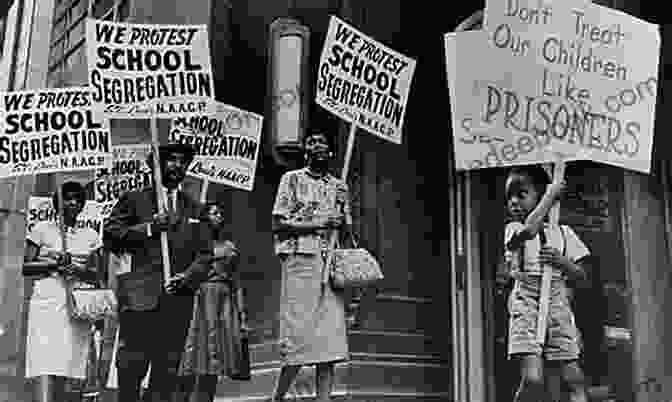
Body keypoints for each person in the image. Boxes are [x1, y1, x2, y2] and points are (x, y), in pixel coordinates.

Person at [103, 141, 213, 402]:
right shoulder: (135, 199)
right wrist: (150, 227)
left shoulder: (195, 208)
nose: (177, 165)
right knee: (131, 368)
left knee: (166, 372)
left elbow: (205, 254)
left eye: (182, 161)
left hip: (177, 302)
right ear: (157, 164)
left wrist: (188, 277)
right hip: (141, 299)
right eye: (171, 159)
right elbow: (110, 235)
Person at [270, 131, 352, 402]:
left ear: (330, 152)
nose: (317, 146)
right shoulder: (291, 180)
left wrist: (342, 209)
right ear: (305, 151)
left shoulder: (339, 185)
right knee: (298, 339)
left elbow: (346, 231)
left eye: (323, 142)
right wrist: (318, 224)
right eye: (311, 142)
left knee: (328, 342)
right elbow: (278, 224)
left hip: (330, 266)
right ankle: (277, 397)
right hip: (300, 264)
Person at [503, 165, 591, 402]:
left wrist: (563, 263)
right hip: (527, 302)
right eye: (509, 196)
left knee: (573, 379)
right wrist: (551, 195)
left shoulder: (564, 233)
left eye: (521, 194)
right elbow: (530, 230)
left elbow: (582, 276)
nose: (513, 202)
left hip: (556, 301)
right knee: (532, 379)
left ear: (539, 196)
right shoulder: (514, 229)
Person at [23, 181, 102, 402]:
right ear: (57, 202)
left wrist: (77, 269)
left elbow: (97, 275)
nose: (73, 203)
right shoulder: (41, 229)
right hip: (47, 301)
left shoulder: (90, 235)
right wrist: (54, 264)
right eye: (68, 198)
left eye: (78, 199)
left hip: (77, 302)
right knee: (45, 359)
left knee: (72, 361)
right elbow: (26, 267)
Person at [177, 202, 246, 402]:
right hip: (200, 299)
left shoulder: (230, 247)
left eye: (220, 212)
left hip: (224, 302)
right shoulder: (193, 243)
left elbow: (237, 282)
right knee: (196, 356)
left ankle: (207, 398)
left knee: (216, 357)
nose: (219, 216)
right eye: (214, 212)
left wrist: (242, 315)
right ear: (204, 217)